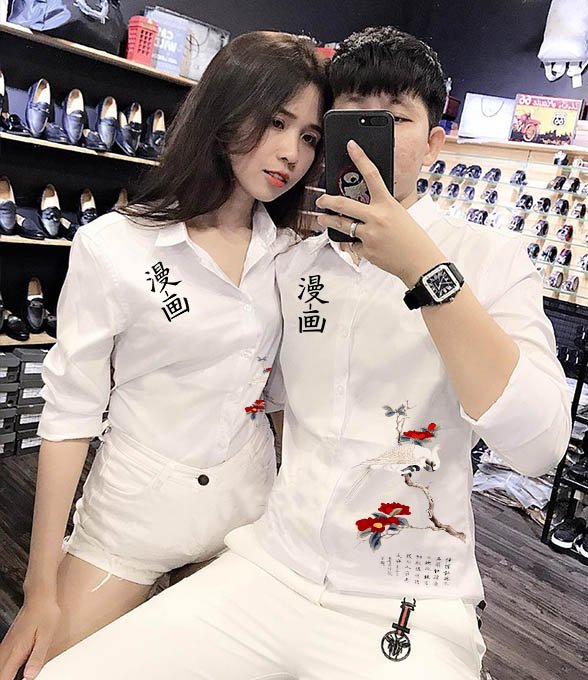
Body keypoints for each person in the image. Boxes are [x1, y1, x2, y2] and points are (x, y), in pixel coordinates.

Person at [33, 26, 570, 680]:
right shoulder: (294, 265)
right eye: (346, 121)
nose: (363, 141)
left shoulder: (489, 261)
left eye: (394, 119)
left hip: (407, 594)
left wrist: (426, 272)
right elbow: (268, 401)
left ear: (435, 143)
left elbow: (538, 448)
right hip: (270, 566)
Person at [0, 31, 328, 680]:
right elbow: (69, 417)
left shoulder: (295, 256)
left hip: (246, 512)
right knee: (43, 669)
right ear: (226, 113)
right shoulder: (113, 246)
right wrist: (39, 589)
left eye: (310, 136)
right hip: (132, 515)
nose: (291, 153)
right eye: (275, 122)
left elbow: (287, 400)